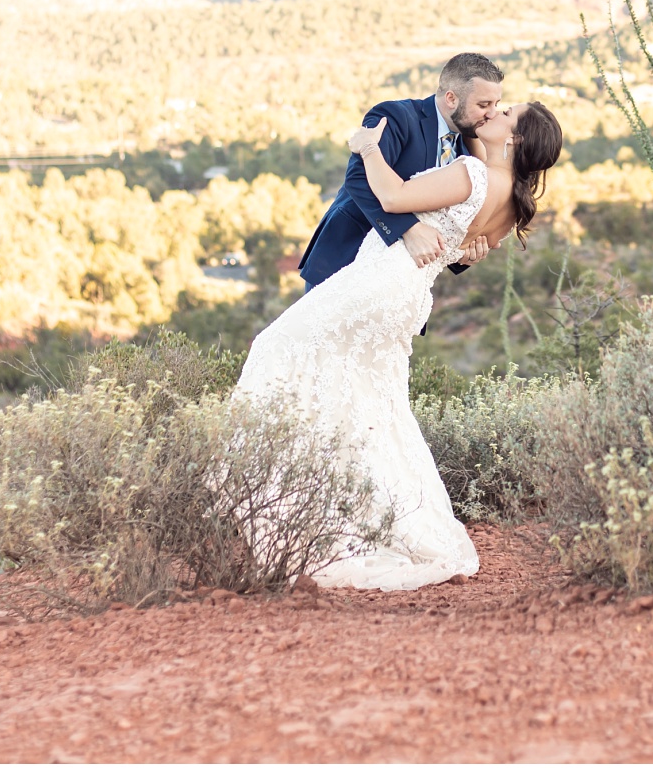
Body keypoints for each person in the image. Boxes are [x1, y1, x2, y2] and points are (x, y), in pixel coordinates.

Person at [232, 88, 564, 590]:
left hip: (381, 283)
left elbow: (390, 198)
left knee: (277, 348)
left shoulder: (474, 175)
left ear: (515, 137)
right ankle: (366, 519)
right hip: (407, 295)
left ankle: (286, 504)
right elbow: (471, 248)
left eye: (507, 112)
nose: (496, 110)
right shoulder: (509, 198)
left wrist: (366, 148)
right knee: (368, 405)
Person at [298, 52, 505, 287]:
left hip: (404, 282)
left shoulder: (470, 152)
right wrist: (408, 229)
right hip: (346, 264)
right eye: (483, 105)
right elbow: (358, 179)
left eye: (496, 105)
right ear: (451, 98)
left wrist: (464, 256)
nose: (492, 114)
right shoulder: (395, 117)